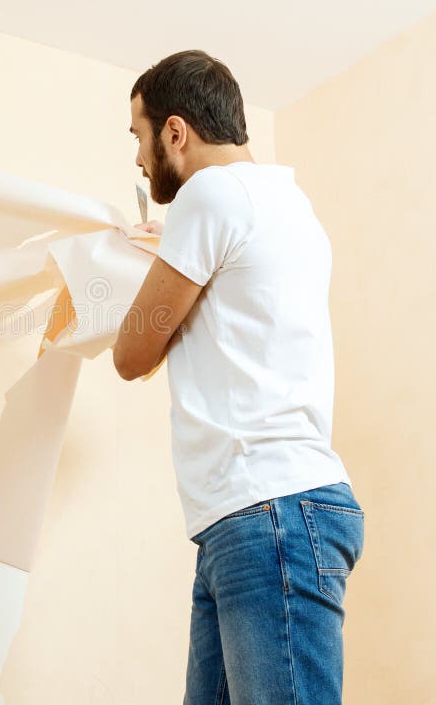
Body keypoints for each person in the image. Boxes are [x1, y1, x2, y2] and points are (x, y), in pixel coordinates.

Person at [112, 50, 365, 705]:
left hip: (268, 515)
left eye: (139, 138)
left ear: (175, 131)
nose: (139, 161)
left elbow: (131, 356)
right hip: (255, 516)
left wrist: (147, 269)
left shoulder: (210, 194)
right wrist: (167, 251)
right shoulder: (287, 204)